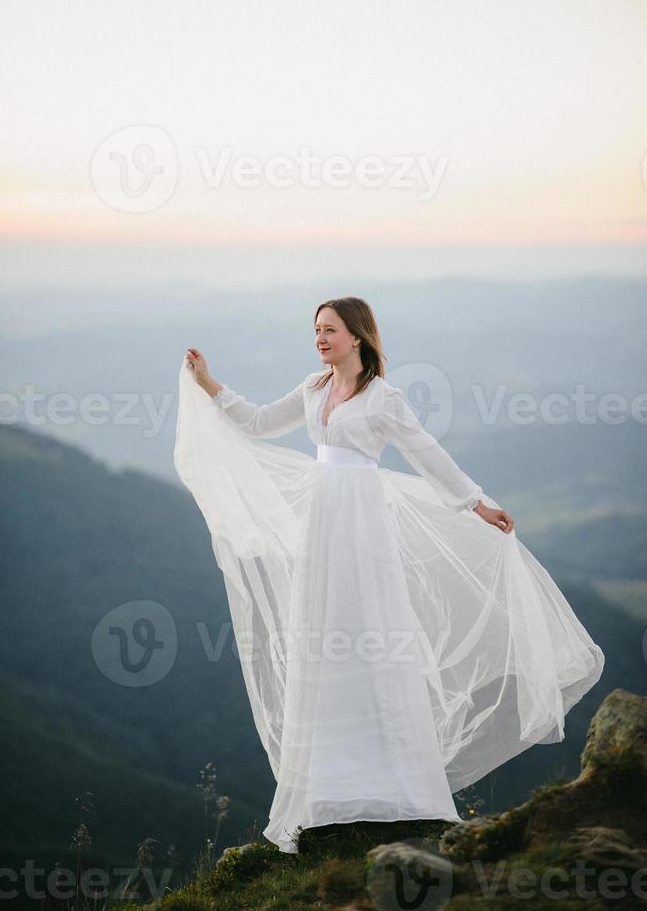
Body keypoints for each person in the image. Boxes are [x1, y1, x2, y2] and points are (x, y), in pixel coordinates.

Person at [174, 296, 605, 855]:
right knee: (326, 643)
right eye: (316, 331)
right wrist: (209, 383)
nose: (320, 339)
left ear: (358, 336)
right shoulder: (313, 388)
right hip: (322, 528)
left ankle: (399, 793)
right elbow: (257, 422)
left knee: (373, 637)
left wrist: (478, 504)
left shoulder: (383, 398)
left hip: (363, 527)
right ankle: (330, 795)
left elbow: (426, 453)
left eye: (329, 330)